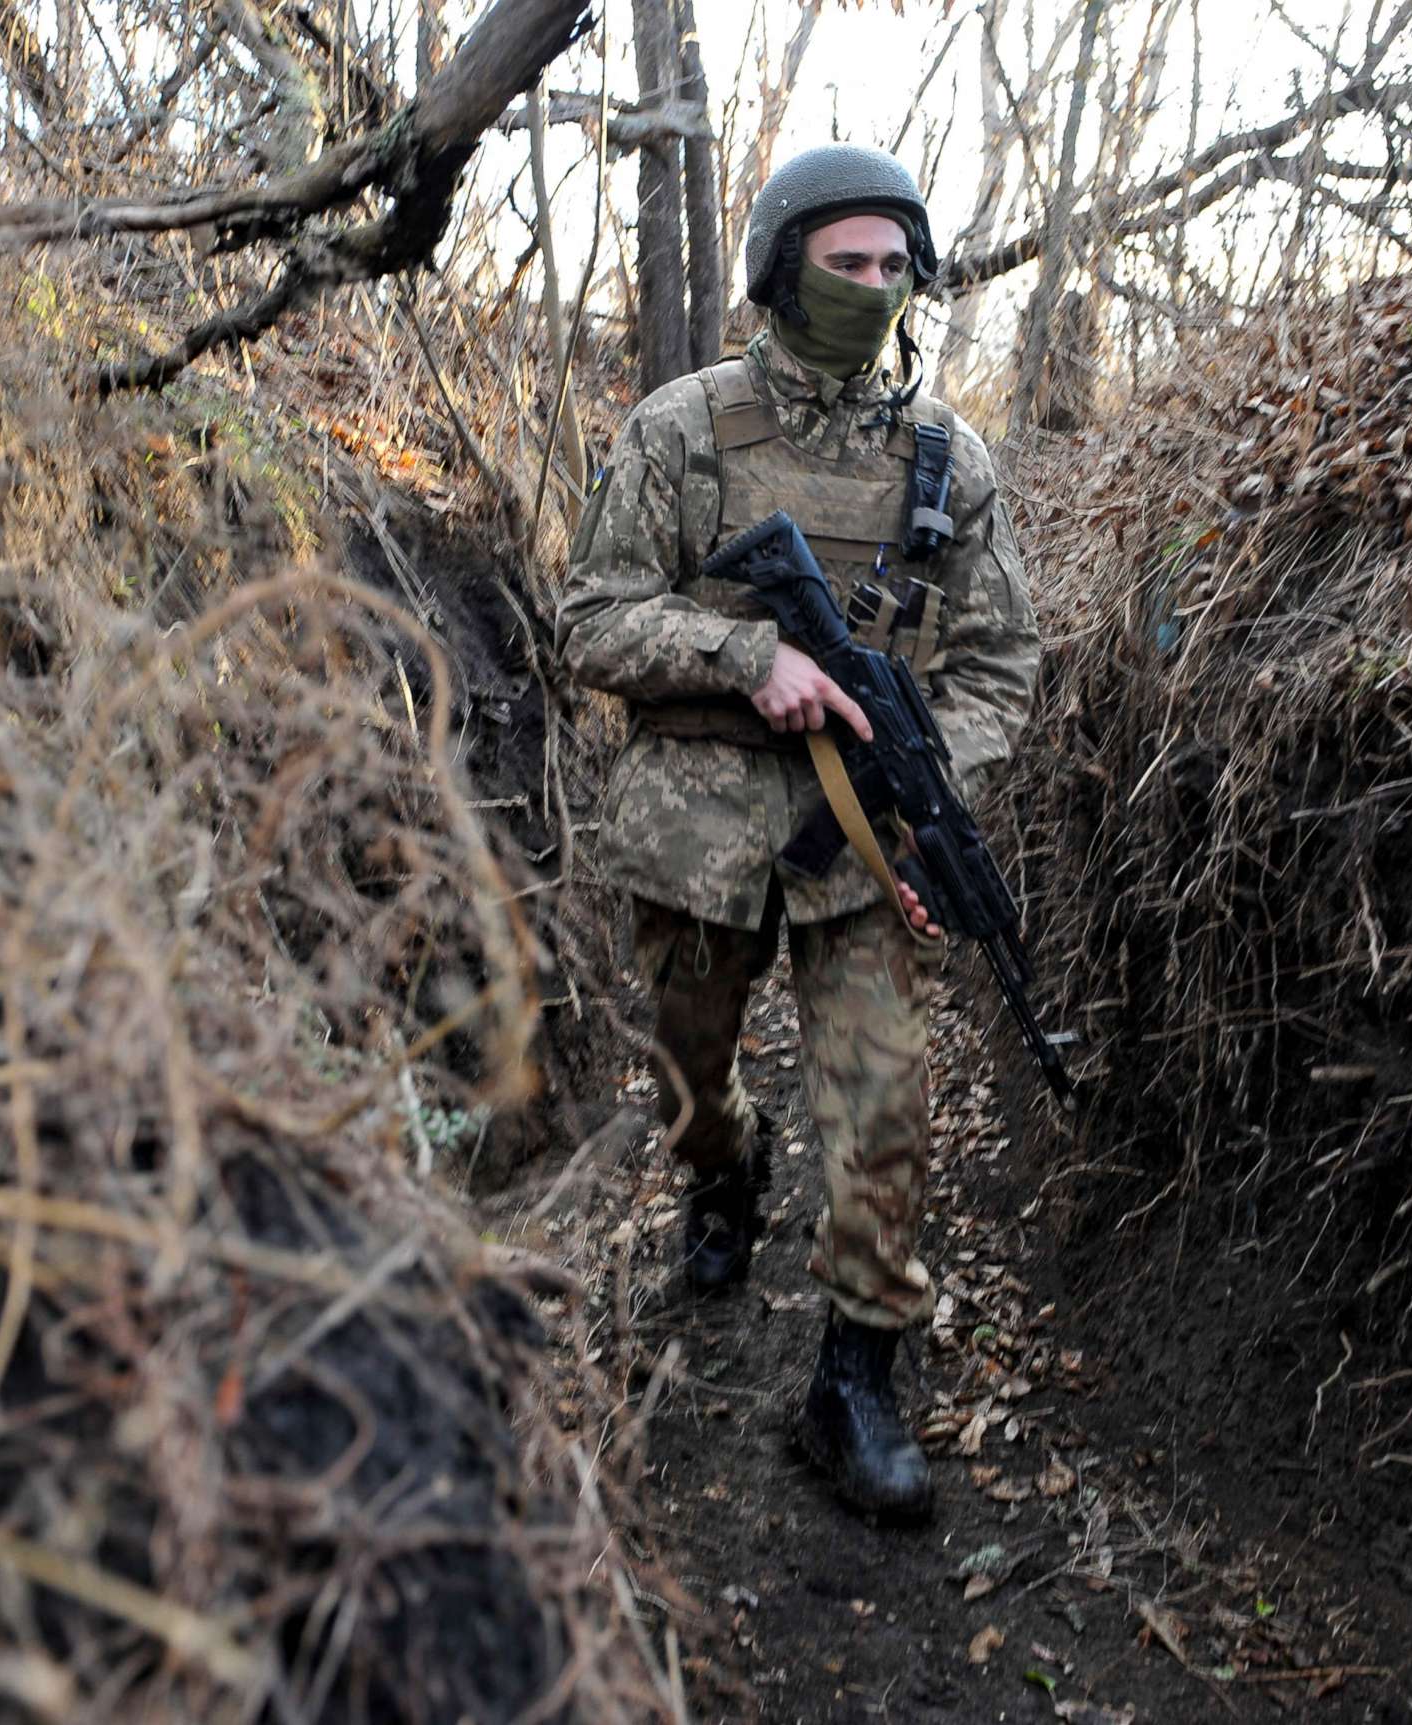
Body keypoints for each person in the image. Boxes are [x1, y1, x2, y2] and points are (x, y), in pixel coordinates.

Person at [555, 144, 1039, 1521]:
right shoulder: (683, 429)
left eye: (896, 268)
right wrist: (745, 654)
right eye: (848, 265)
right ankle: (725, 1174)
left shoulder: (953, 462)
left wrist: (932, 777)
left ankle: (856, 1377)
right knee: (690, 1073)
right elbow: (592, 616)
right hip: (696, 827)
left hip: (868, 836)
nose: (875, 289)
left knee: (887, 1095)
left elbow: (1006, 663)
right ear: (781, 270)